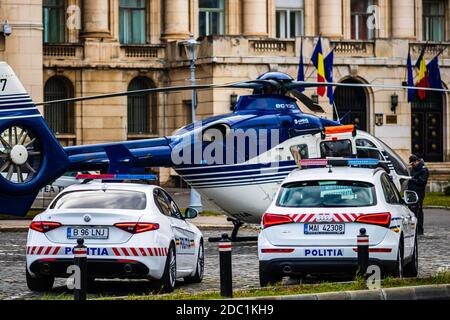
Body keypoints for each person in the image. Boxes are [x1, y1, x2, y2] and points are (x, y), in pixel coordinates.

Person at [407, 154, 429, 235]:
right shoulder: (414, 168)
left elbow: (422, 181)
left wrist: (413, 179)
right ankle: (413, 229)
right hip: (411, 192)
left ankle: (419, 230)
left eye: (413, 163)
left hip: (419, 192)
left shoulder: (424, 169)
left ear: (417, 161)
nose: (412, 165)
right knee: (411, 210)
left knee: (418, 210)